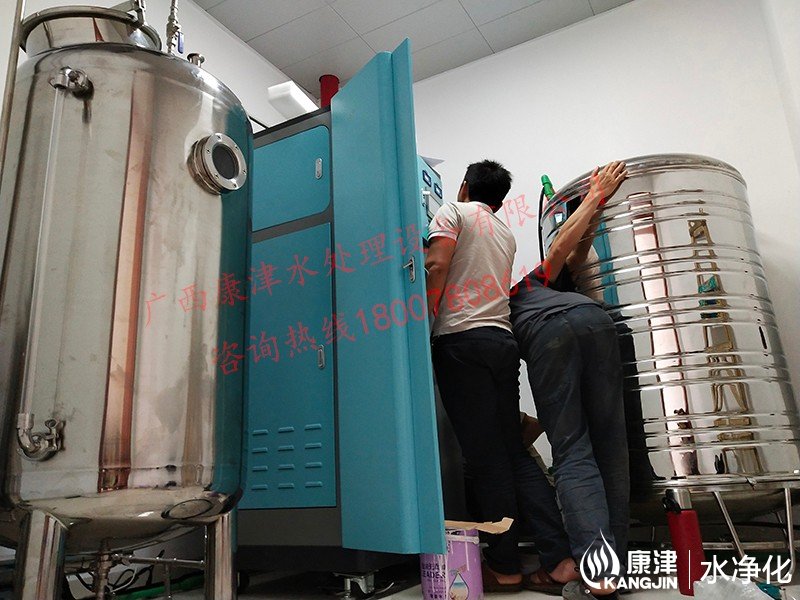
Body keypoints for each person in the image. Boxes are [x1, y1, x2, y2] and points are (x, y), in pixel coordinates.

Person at [426, 160, 578, 593]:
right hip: (501, 342)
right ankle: (559, 560)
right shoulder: (504, 232)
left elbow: (436, 265)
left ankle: (506, 566)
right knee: (513, 452)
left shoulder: (452, 212)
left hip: (462, 342)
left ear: (464, 187)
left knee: (485, 460)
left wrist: (424, 317)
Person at [509, 161, 629, 598]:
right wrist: (597, 201)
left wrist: (594, 199)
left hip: (550, 336)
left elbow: (564, 248)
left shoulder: (514, 296)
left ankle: (598, 572)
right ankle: (615, 567)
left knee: (574, 451)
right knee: (611, 448)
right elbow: (572, 253)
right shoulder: (553, 287)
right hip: (597, 323)